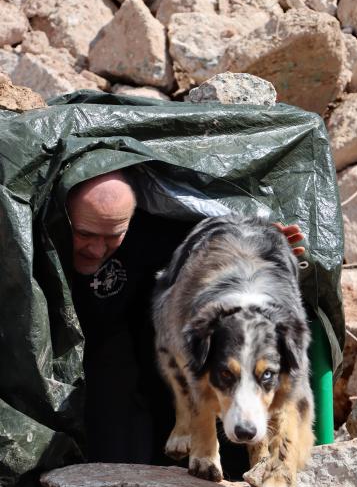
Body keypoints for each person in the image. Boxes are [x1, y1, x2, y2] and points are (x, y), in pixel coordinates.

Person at [67, 171, 306, 471]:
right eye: (84, 234)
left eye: (113, 236)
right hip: (91, 354)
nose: (98, 248)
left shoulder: (148, 235)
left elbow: (214, 241)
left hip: (139, 345)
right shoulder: (33, 240)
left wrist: (269, 244)